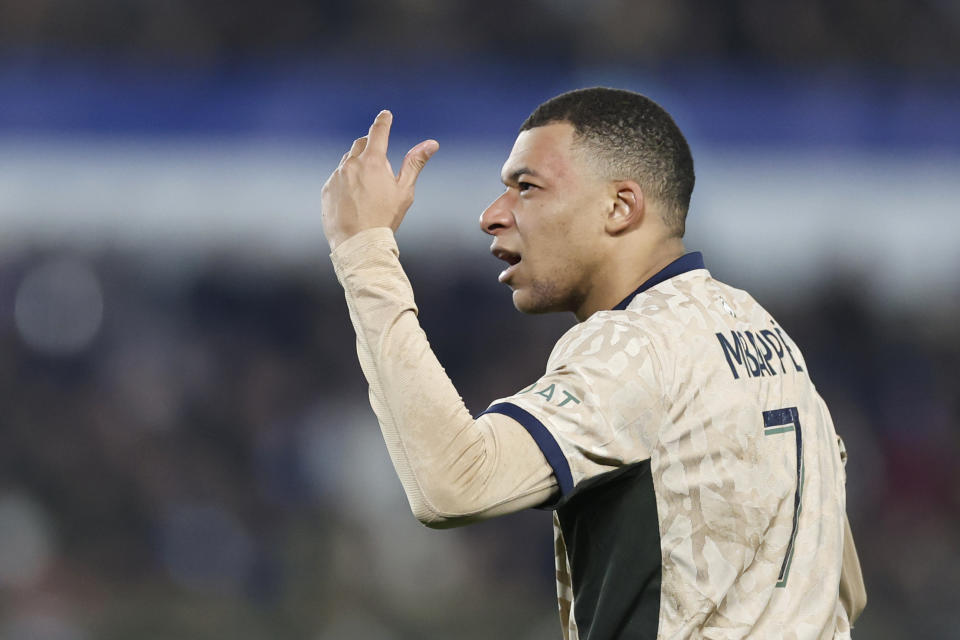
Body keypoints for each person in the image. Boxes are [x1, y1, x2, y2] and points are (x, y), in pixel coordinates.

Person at [321, 88, 866, 639]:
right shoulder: (768, 336)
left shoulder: (638, 344)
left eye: (526, 187)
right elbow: (844, 586)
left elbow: (454, 482)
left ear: (620, 207)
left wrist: (364, 251)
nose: (492, 215)